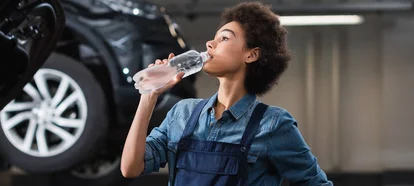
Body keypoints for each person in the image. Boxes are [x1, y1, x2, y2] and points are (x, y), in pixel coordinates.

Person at [120, 2, 333, 186]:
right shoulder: (181, 114)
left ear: (251, 54)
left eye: (224, 38)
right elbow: (131, 168)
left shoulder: (274, 125)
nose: (209, 44)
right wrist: (148, 98)